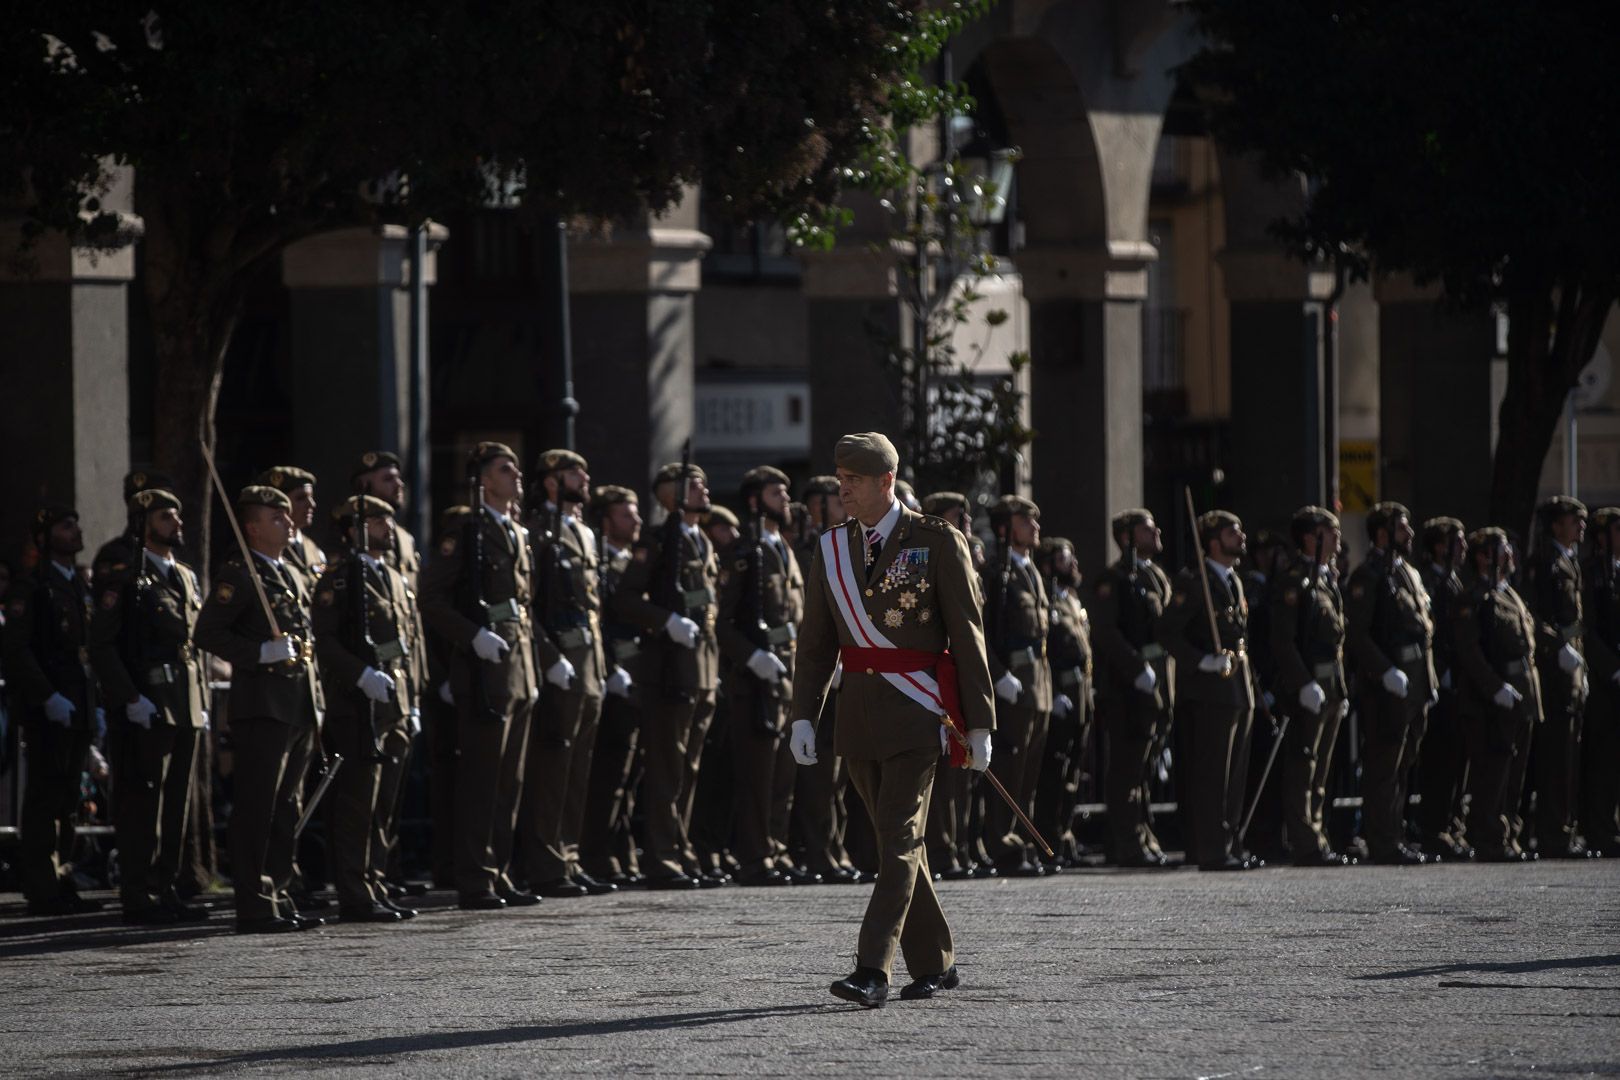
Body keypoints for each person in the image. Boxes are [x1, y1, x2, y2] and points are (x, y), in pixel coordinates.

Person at [788, 432, 996, 1007]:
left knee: (899, 837)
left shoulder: (935, 540)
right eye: (839, 480)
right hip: (857, 718)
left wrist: (979, 724)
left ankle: (871, 970)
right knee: (897, 844)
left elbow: (967, 636)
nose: (841, 491)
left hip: (917, 718)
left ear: (885, 482)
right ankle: (936, 962)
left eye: (853, 481)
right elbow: (815, 643)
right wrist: (803, 716)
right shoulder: (831, 547)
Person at [193, 485, 327, 933]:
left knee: (287, 806)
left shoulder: (287, 571)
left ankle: (280, 892)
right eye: (277, 517)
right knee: (258, 806)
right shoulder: (241, 574)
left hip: (298, 704)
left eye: (288, 517)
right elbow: (208, 633)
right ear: (252, 527)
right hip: (264, 706)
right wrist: (258, 653)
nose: (289, 523)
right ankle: (252, 901)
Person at [418, 442, 542, 909]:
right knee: (483, 781)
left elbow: (523, 608)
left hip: (518, 671)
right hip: (485, 673)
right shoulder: (466, 531)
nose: (516, 475)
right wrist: (472, 637)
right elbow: (431, 598)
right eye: (504, 469)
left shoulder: (515, 531)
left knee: (509, 782)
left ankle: (500, 870)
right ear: (483, 481)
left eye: (515, 466)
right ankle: (475, 877)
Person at [88, 488, 212, 923]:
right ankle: (137, 893)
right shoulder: (124, 577)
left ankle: (168, 887)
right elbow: (102, 646)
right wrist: (130, 697)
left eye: (177, 514)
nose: (176, 522)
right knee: (144, 803)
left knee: (176, 802)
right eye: (165, 516)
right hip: (148, 703)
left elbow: (195, 644)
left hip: (185, 703)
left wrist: (203, 697)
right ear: (142, 524)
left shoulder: (186, 576)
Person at [309, 494, 423, 923]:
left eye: (389, 520)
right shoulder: (339, 577)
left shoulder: (391, 576)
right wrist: (360, 675)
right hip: (358, 704)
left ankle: (375, 882)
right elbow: (327, 639)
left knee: (385, 805)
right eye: (377, 521)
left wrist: (411, 700)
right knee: (357, 803)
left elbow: (404, 646)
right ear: (354, 528)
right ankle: (354, 892)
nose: (388, 528)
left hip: (394, 703)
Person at [612, 460, 723, 889]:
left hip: (702, 668)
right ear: (669, 495)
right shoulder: (657, 540)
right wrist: (666, 622)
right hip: (669, 670)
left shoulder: (700, 541)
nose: (703, 488)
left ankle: (681, 849)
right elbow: (625, 599)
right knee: (666, 767)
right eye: (693, 484)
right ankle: (661, 857)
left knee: (689, 767)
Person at [518, 449, 615, 898]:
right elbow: (527, 604)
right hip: (558, 660)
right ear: (553, 481)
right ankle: (544, 862)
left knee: (579, 767)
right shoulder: (538, 532)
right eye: (575, 472)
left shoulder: (584, 533)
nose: (585, 476)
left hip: (589, 664)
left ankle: (568, 856)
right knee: (553, 765)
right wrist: (547, 654)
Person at [3, 505, 104, 915]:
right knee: (45, 797)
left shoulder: (78, 585)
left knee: (68, 798)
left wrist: (93, 703)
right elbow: (17, 649)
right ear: (45, 538)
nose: (76, 531)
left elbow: (86, 652)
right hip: (49, 708)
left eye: (77, 524)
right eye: (66, 526)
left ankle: (62, 876)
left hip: (77, 704)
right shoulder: (32, 587)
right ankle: (41, 886)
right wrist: (47, 696)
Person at [1156, 509, 1259, 871]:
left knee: (1234, 775)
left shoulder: (1233, 579)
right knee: (1211, 775)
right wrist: (1200, 661)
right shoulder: (1193, 581)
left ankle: (1230, 843)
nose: (1241, 538)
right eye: (1234, 533)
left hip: (1236, 686)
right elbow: (1168, 632)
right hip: (1207, 691)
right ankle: (1210, 849)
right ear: (1214, 541)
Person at [718, 466, 806, 886]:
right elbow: (723, 622)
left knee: (782, 773)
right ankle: (755, 857)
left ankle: (777, 848)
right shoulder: (744, 550)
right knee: (757, 773)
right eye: (776, 492)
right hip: (755, 678)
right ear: (755, 501)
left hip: (786, 675)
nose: (785, 498)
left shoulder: (782, 549)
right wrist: (751, 657)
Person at [1346, 501, 1437, 865]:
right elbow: (1358, 634)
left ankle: (1394, 833)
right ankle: (1382, 840)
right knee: (1384, 764)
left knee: (1404, 764)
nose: (1409, 534)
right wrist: (1383, 670)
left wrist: (1427, 680)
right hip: (1387, 687)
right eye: (1402, 528)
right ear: (1382, 533)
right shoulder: (1367, 576)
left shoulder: (1406, 573)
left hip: (1414, 685)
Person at [1089, 509, 1175, 867]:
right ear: (1126, 537)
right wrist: (1136, 668)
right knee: (1127, 767)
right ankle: (1126, 841)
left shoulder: (1155, 576)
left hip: (1157, 685)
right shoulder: (1115, 578)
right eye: (1146, 528)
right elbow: (1107, 633)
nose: (1155, 531)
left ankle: (1143, 833)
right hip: (1126, 689)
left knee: (1145, 767)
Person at [1269, 506, 1353, 866]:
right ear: (1310, 537)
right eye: (1330, 532)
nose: (1337, 539)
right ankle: (1304, 840)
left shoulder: (1325, 578)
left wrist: (1340, 688)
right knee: (1303, 765)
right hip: (1308, 686)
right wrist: (1302, 683)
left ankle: (1316, 834)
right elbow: (1283, 640)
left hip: (1330, 685)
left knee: (1320, 769)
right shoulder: (1294, 580)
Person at [1451, 528, 1540, 862]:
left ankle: (1507, 834)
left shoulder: (1508, 593)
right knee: (1493, 770)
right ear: (1483, 556)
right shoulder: (1473, 597)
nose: (1510, 555)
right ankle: (1488, 836)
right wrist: (1494, 687)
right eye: (1502, 549)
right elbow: (1470, 651)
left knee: (1514, 772)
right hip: (1488, 700)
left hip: (1520, 696)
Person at [978, 495, 1054, 876]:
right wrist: (997, 674)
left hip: (1038, 684)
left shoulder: (1032, 572)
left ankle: (1023, 841)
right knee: (1008, 768)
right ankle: (1003, 844)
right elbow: (983, 633)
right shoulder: (996, 573)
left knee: (1029, 773)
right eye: (1027, 521)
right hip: (1013, 681)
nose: (1035, 527)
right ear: (1006, 527)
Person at [578, 485, 646, 886]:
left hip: (633, 676)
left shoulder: (629, 561)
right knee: (607, 775)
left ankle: (619, 852)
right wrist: (611, 668)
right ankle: (597, 855)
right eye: (625, 515)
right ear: (605, 522)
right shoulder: (602, 562)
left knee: (628, 774)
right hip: (610, 676)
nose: (635, 521)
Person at [1525, 495, 1596, 858]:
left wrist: (1579, 663)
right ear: (1556, 525)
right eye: (1574, 520)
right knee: (1554, 757)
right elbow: (1535, 617)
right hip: (1553, 672)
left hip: (1570, 670)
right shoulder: (1544, 563)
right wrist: (1558, 649)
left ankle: (1565, 830)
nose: (1581, 526)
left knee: (1570, 755)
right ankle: (1553, 833)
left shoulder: (1569, 562)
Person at [1034, 536, 1094, 869]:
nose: (1072, 565)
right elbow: (1048, 649)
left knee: (1074, 771)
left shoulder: (1070, 598)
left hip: (1081, 693)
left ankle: (1065, 834)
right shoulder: (1047, 599)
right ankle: (1049, 838)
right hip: (1059, 690)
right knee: (1053, 773)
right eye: (1063, 559)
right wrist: (1054, 690)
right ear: (1048, 565)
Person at [1414, 516, 1471, 859]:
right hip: (1441, 680)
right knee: (1438, 760)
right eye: (1456, 541)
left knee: (1455, 759)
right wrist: (1442, 673)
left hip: (1457, 681)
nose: (1462, 548)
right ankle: (1435, 827)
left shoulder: (1452, 580)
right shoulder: (1432, 582)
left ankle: (1451, 824)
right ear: (1439, 546)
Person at [1579, 507, 1620, 852]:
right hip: (1603, 679)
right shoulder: (1590, 574)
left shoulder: (1616, 573)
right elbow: (1588, 629)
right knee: (1602, 759)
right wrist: (1612, 668)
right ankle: (1600, 829)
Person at [257, 467, 327, 593]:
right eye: (301, 498)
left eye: (311, 497)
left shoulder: (314, 550)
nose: (311, 504)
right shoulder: (265, 546)